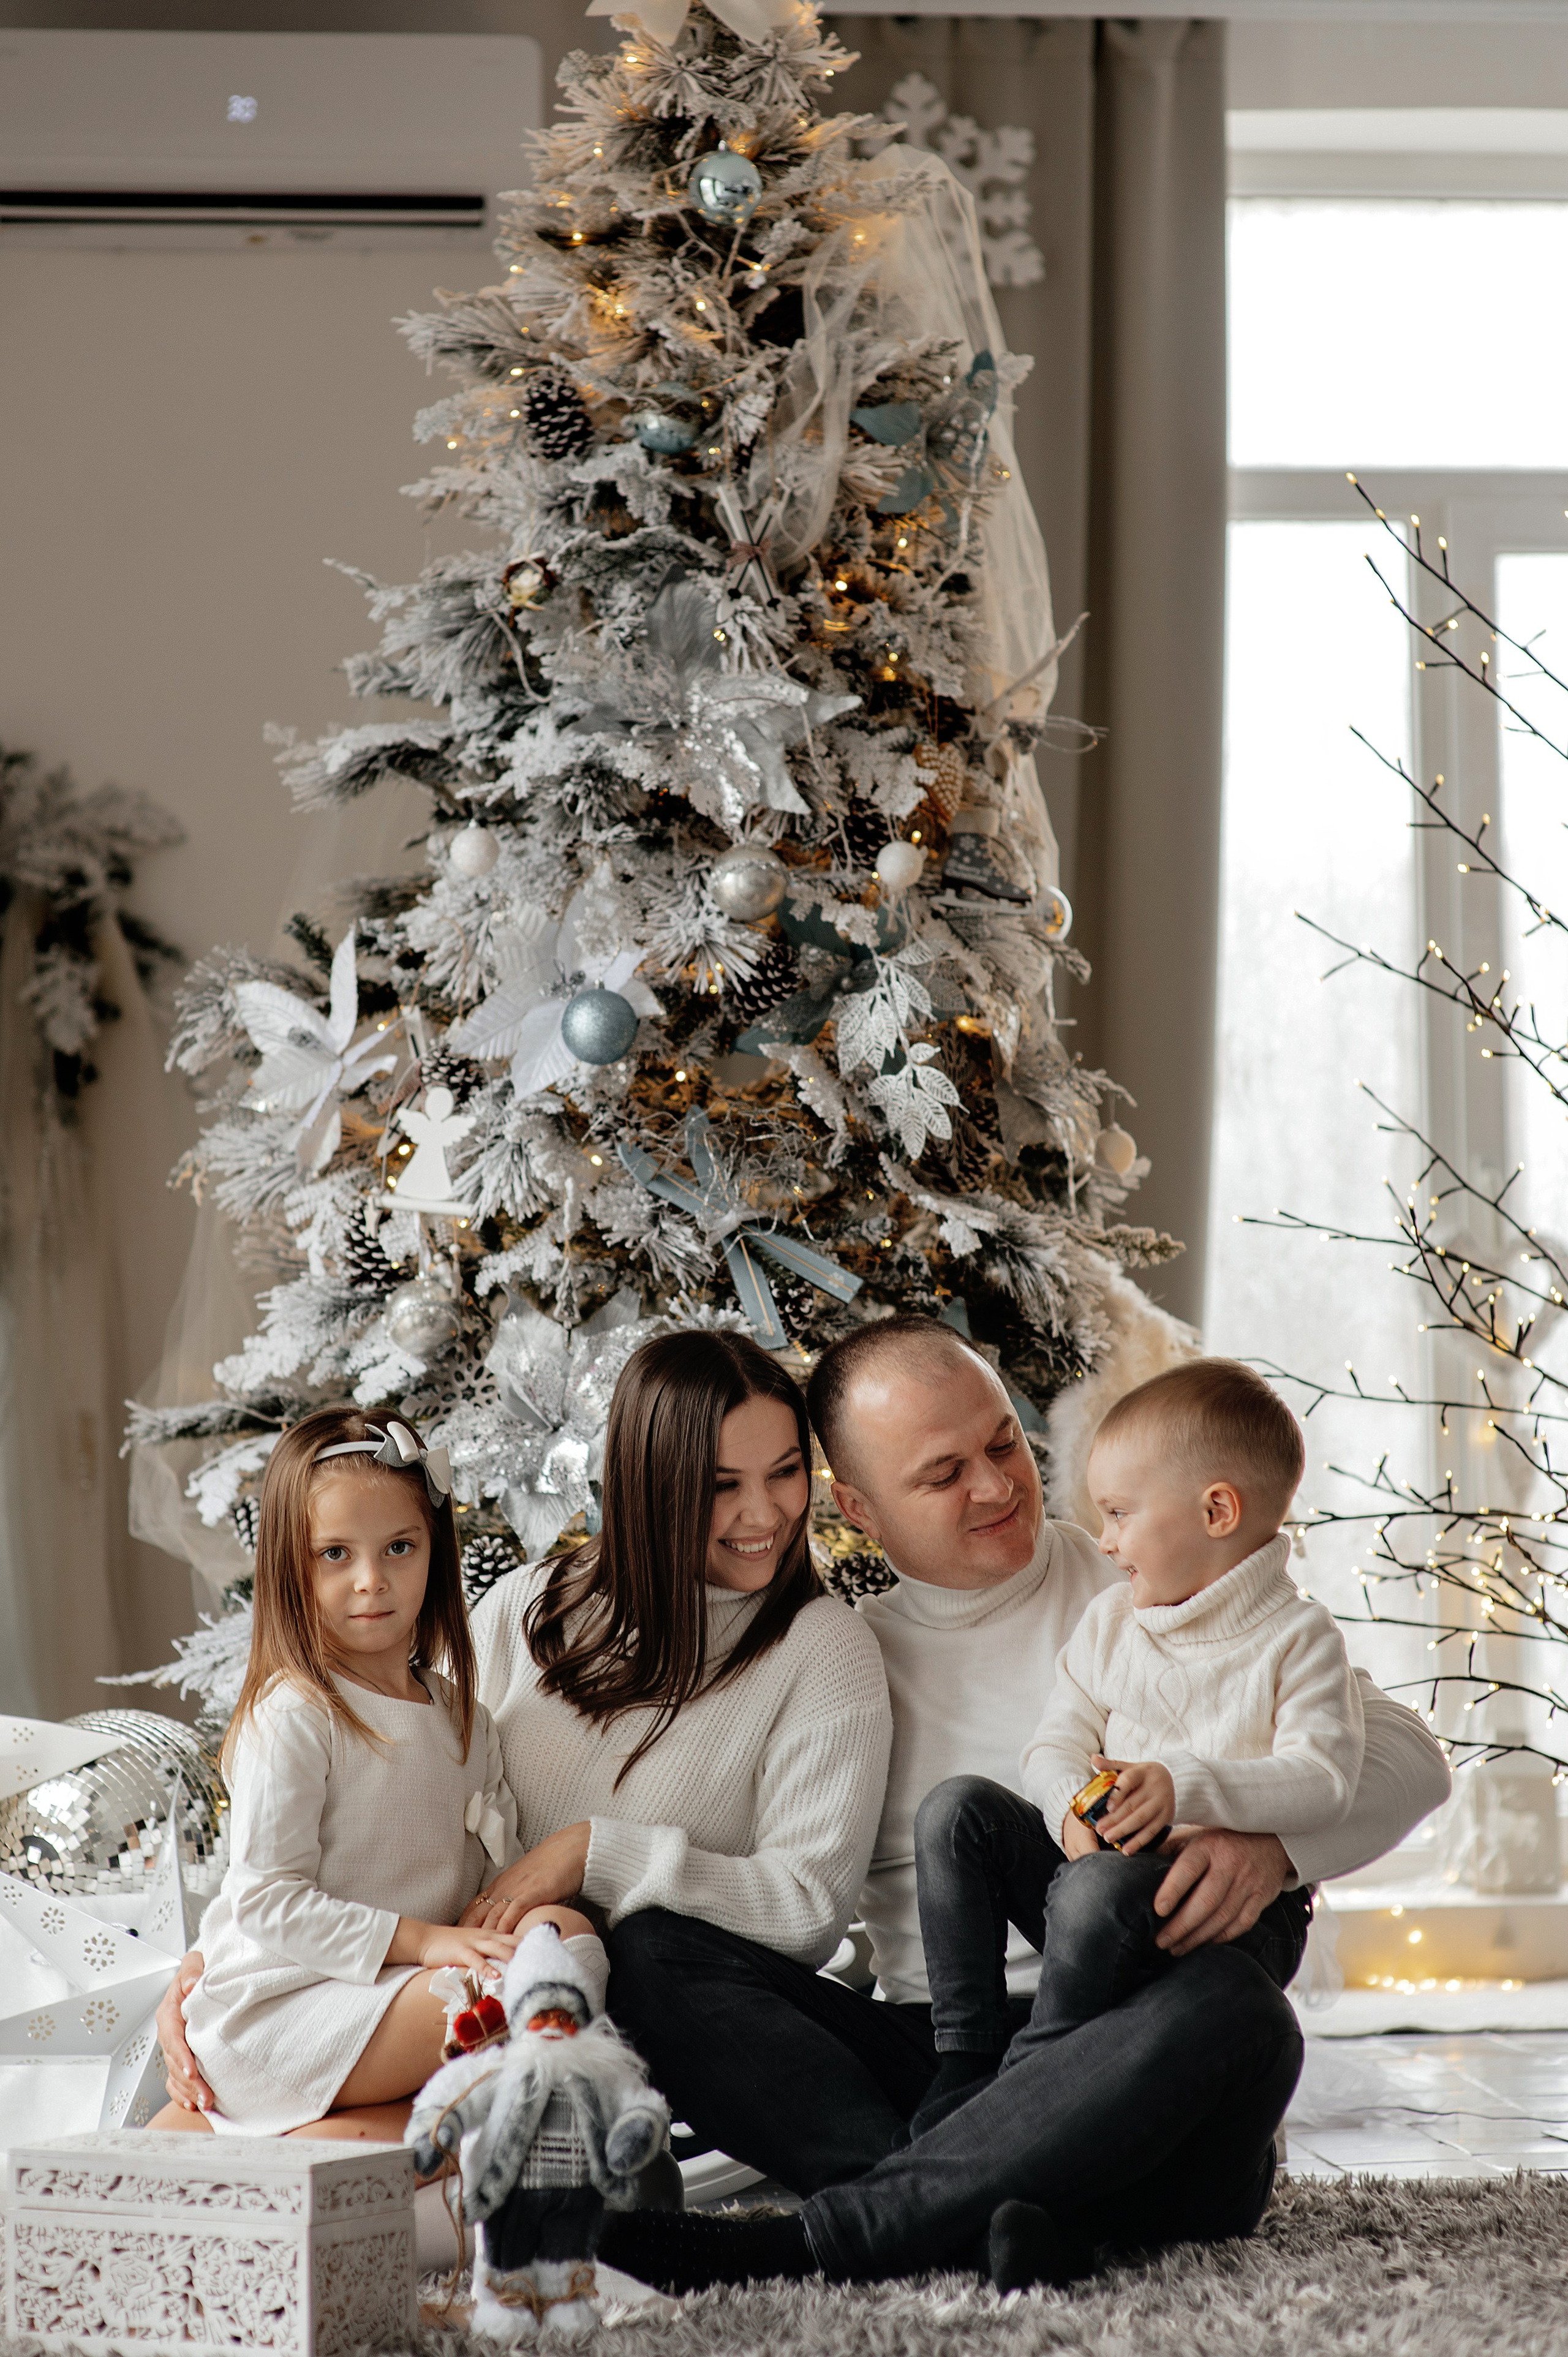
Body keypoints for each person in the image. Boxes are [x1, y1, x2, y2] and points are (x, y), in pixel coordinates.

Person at [585, 1316, 1452, 2296]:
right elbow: (749, 1893)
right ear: (858, 1508)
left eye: (1003, 1442)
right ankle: (1015, 2212)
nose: (997, 1486)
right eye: (943, 1474)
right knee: (653, 1952)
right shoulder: (834, 1661)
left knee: (1240, 2010)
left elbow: (1412, 1755)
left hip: (1142, 2040)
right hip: (948, 2062)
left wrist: (1276, 1848)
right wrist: (577, 1855)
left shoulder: (1144, 1577)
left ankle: (851, 2233)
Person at [154, 1333, 894, 2167]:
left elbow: (806, 1912)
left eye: (786, 1472)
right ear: (651, 1486)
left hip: (602, 2022)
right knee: (156, 2182)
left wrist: (592, 1854)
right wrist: (214, 1962)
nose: (764, 1515)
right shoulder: (530, 1607)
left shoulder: (823, 1648)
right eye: (721, 1486)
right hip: (435, 2004)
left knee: (346, 2171)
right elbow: (379, 1796)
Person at [910, 1358, 1362, 2138]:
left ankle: (1031, 2082)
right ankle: (965, 2058)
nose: (1107, 1540)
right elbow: (1054, 1744)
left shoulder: (1298, 1638)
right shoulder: (1112, 1620)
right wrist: (1069, 1812)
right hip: (1103, 1874)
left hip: (1230, 1916)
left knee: (1094, 1892)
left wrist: (1183, 1785)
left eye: (1119, 1513)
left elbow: (1325, 1780)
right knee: (957, 1811)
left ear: (1217, 1510)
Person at [148, 1406, 597, 2145]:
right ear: (291, 1565)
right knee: (500, 1986)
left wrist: (511, 1921)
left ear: (433, 1551)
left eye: (398, 1547)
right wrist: (426, 1942)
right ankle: (438, 2130)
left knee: (564, 1936)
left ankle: (430, 2126)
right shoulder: (295, 1713)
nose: (371, 1580)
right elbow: (266, 1899)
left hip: (388, 1993)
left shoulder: (467, 1720)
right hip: (287, 2005)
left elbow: (496, 1880)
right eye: (334, 1554)